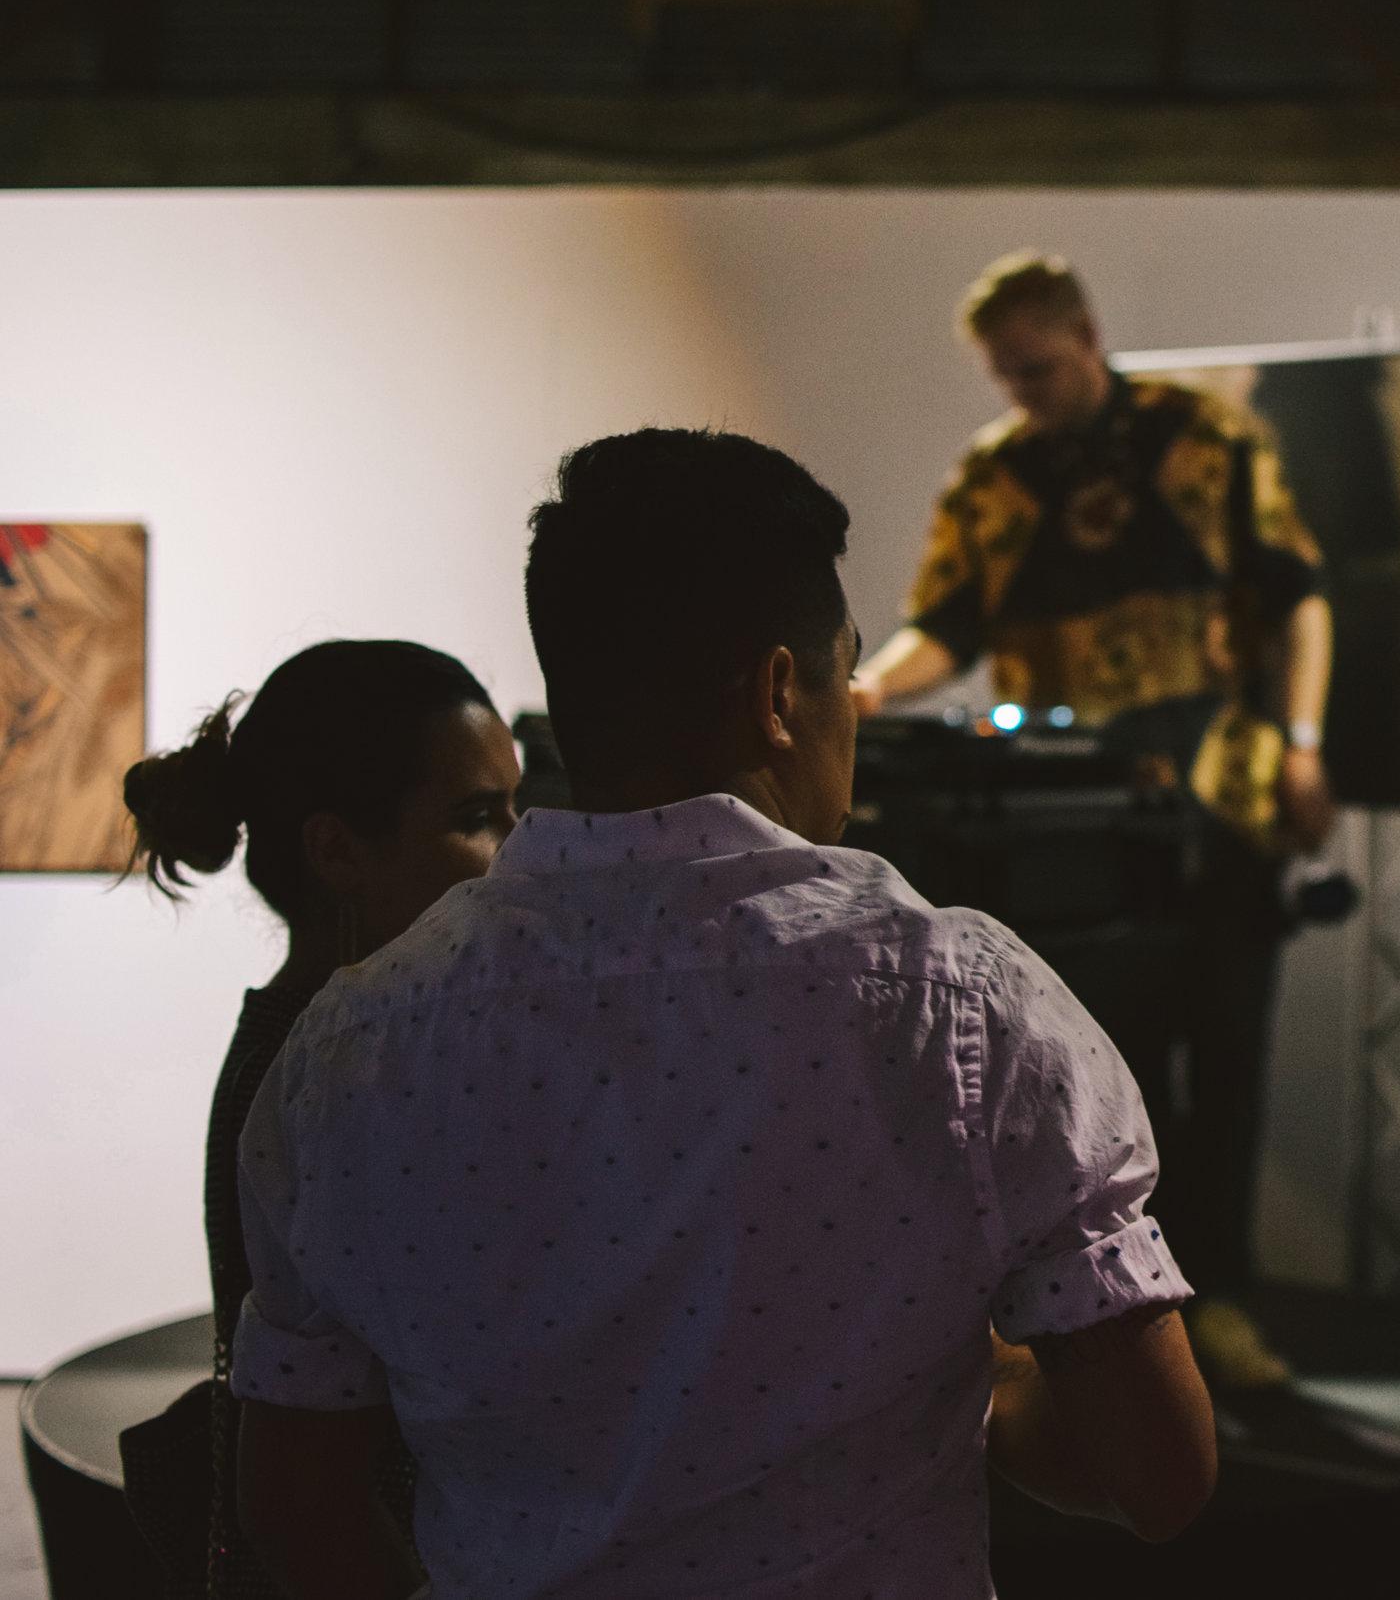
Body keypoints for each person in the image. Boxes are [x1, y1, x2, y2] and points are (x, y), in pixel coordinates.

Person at [227, 428, 1215, 1599]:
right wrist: (989, 1386)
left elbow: (296, 1506)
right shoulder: (964, 1006)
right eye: (848, 674)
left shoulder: (348, 1049)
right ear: (781, 692)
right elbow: (1157, 1471)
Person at [853, 251, 1332, 1389]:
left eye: (1040, 366)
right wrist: (866, 688)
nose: (1025, 391)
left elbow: (1296, 593)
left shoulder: (1205, 440)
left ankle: (1221, 1308)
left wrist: (1305, 744)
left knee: (1223, 1061)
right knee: (1089, 1076)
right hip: (1068, 820)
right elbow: (947, 625)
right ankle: (1112, 1327)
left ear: (1084, 332)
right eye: (1007, 377)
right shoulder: (994, 477)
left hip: (1216, 796)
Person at [122, 638, 522, 1597]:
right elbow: (314, 1491)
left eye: (519, 812)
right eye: (477, 819)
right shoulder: (325, 1071)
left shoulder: (330, 1045)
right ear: (337, 848)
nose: (518, 857)